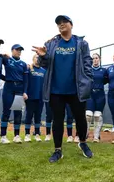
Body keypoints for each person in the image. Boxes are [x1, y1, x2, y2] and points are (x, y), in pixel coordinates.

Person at [32, 15, 93, 163]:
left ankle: (83, 142)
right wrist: (43, 56)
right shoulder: (51, 43)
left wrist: (88, 80)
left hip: (76, 90)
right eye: (58, 23)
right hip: (56, 90)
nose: (61, 24)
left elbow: (87, 63)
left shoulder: (81, 43)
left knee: (80, 119)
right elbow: (44, 64)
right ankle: (58, 150)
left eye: (64, 22)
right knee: (57, 120)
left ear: (71, 24)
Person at [0, 44, 29, 144]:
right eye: (17, 50)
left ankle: (16, 135)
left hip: (19, 89)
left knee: (18, 112)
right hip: (9, 88)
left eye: (20, 50)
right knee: (6, 112)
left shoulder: (23, 64)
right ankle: (3, 136)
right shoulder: (7, 59)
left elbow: (26, 80)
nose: (19, 51)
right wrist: (2, 54)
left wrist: (25, 91)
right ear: (12, 50)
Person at [24, 54, 46, 142]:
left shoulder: (43, 71)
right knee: (29, 115)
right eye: (36, 57)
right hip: (30, 96)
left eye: (39, 58)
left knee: (38, 116)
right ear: (33, 58)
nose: (38, 59)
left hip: (40, 97)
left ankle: (37, 134)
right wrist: (25, 92)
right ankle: (27, 134)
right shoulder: (29, 69)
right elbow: (26, 81)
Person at [87, 53, 107, 143]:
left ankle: (96, 136)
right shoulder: (88, 70)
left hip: (100, 95)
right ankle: (85, 135)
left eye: (96, 58)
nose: (95, 60)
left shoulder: (104, 70)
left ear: (99, 59)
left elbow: (106, 80)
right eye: (93, 58)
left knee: (97, 116)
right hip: (90, 94)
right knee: (88, 115)